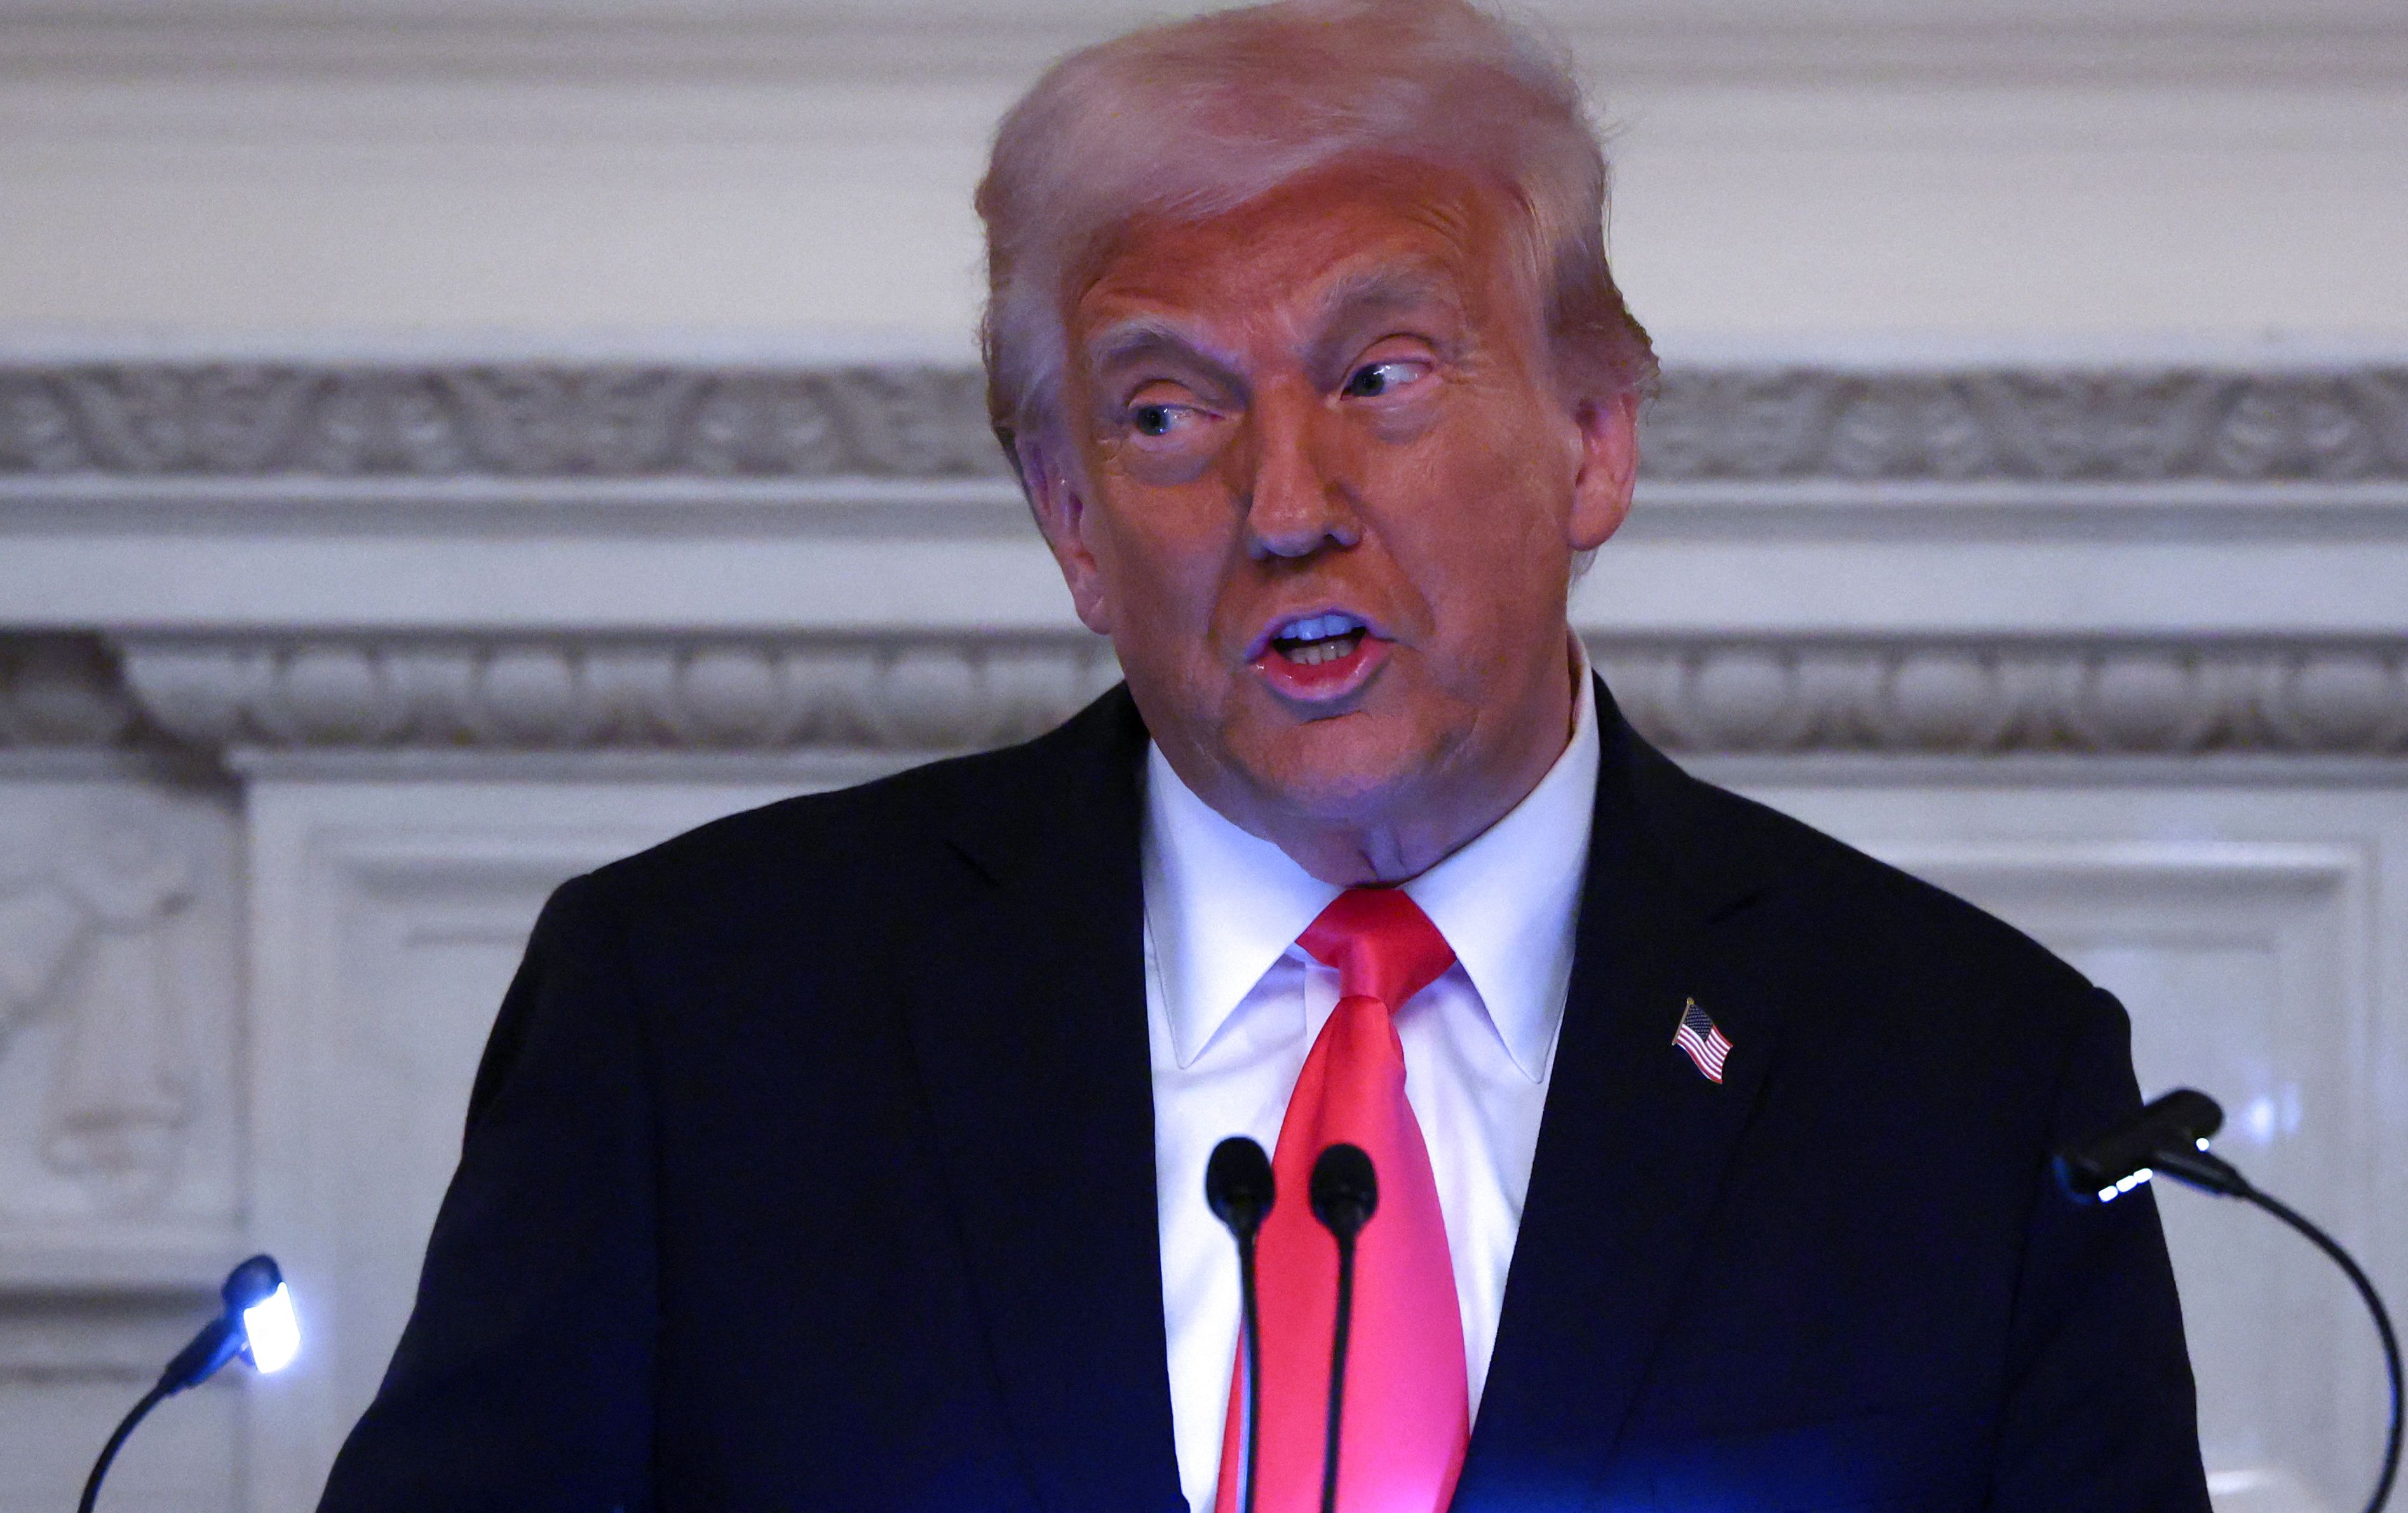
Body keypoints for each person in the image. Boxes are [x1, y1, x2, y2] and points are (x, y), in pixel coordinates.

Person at [316, 2, 2212, 1509]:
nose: (1284, 501)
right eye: (1165, 413)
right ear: (1070, 520)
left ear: (1593, 439)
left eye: (1381, 374)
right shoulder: (697, 1018)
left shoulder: (1971, 1082)